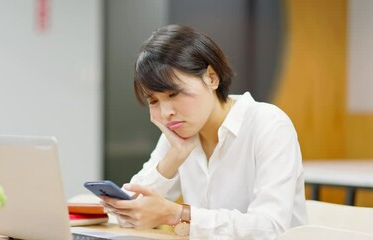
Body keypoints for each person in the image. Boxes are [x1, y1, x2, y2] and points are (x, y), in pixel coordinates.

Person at [101, 24, 308, 239]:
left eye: (174, 94)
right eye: (153, 100)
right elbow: (130, 214)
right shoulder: (178, 134)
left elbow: (270, 228)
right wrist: (174, 157)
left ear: (211, 77)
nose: (166, 112)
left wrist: (177, 213)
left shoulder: (269, 125)